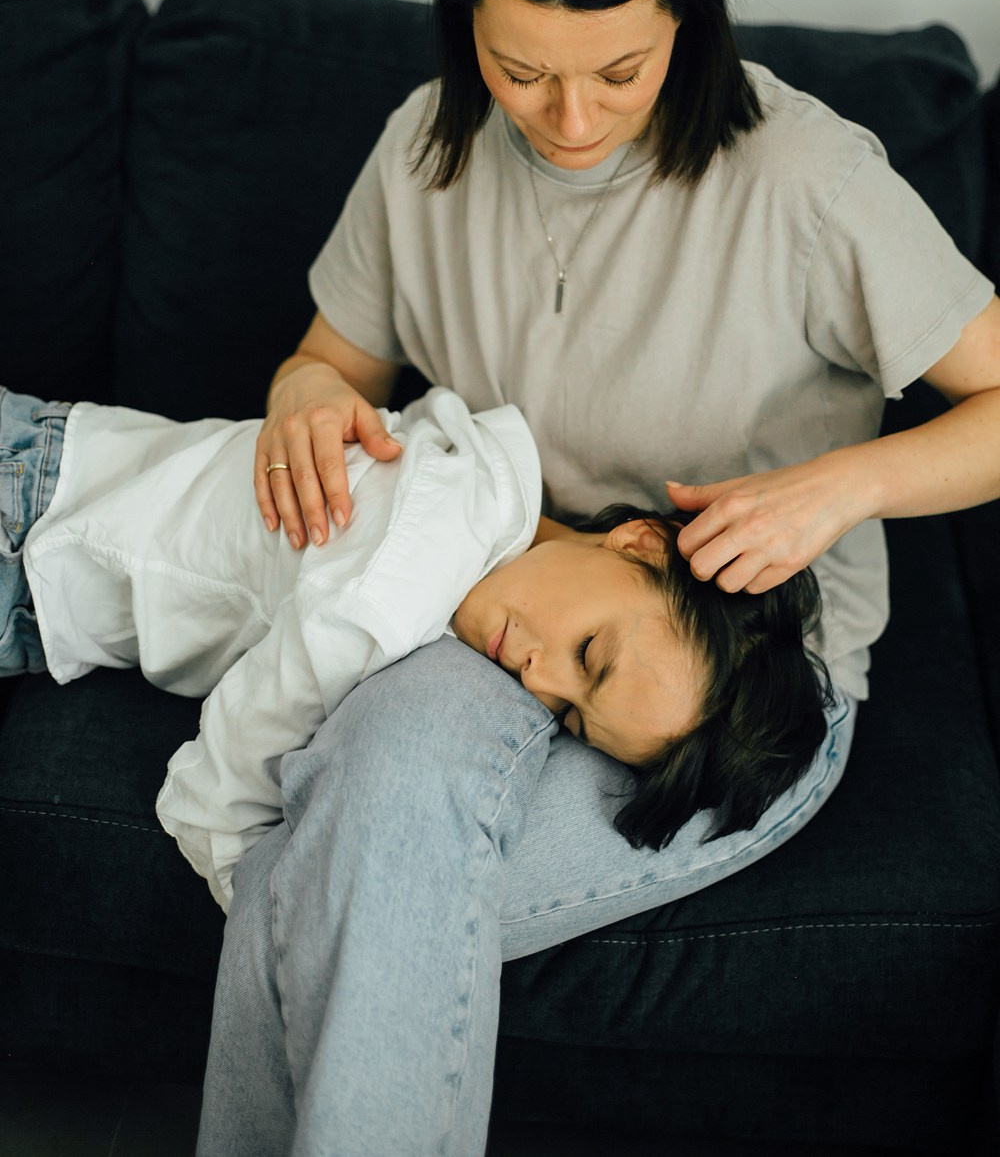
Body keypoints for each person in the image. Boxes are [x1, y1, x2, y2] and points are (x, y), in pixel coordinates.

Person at [192, 0, 1000, 1156]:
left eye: (620, 71)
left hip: (728, 670)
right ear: (465, 21)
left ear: (687, 12)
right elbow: (326, 362)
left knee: (332, 874)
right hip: (495, 603)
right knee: (367, 825)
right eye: (522, 72)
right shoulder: (426, 150)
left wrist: (840, 486)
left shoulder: (810, 183)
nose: (570, 121)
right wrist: (304, 398)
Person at [1, 382, 831, 912]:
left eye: (571, 718)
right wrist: (244, 883)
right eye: (588, 655)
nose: (537, 678)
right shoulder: (411, 570)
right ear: (641, 542)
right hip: (32, 512)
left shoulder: (489, 492)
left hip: (49, 561)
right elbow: (240, 749)